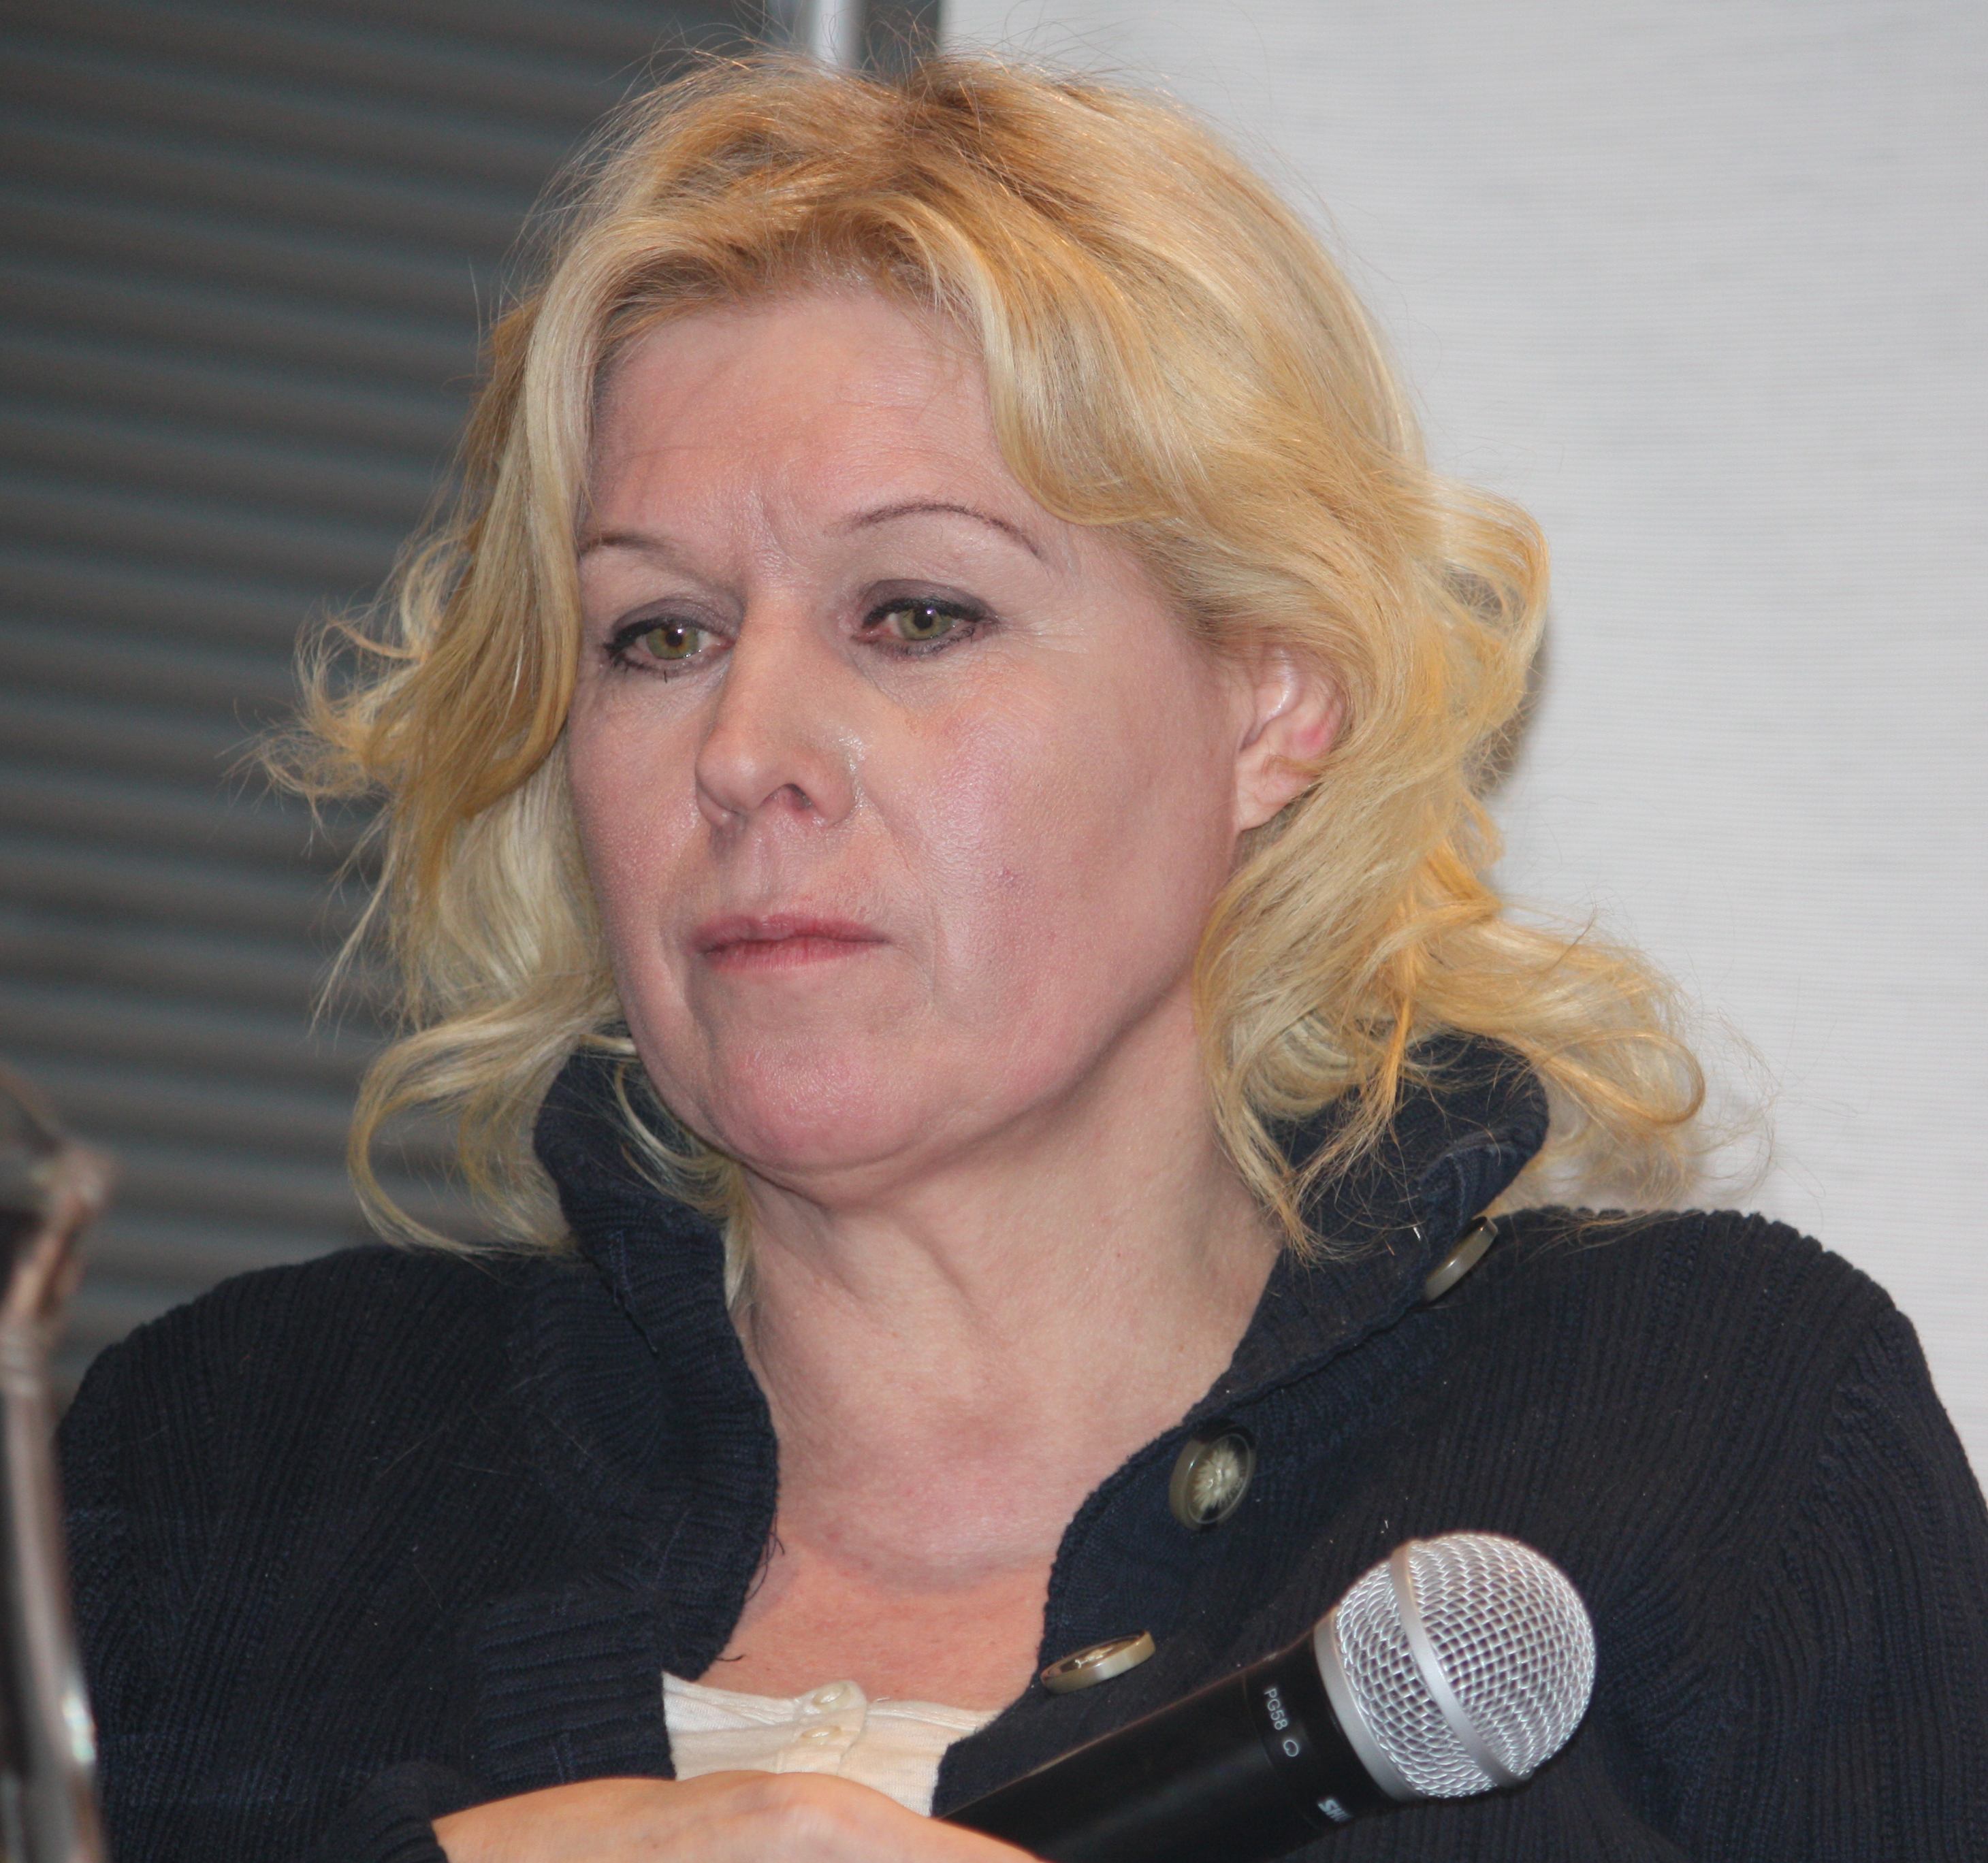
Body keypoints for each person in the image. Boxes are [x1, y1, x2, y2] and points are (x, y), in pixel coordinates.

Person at [59, 52, 1987, 1863]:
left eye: (916, 612)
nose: (744, 750)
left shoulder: (1713, 1437)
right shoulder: (232, 1462)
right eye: (660, 636)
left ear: (1270, 700)